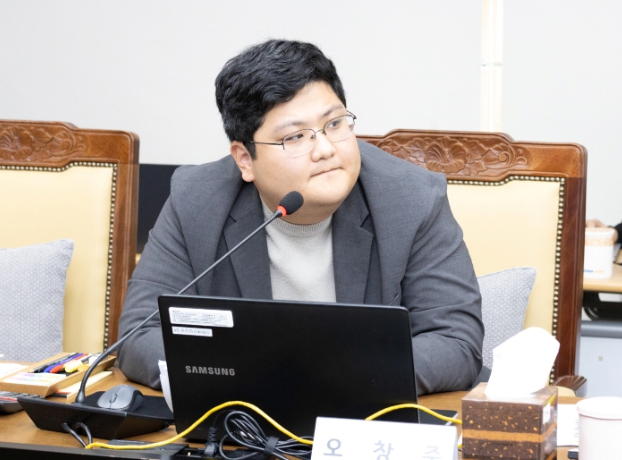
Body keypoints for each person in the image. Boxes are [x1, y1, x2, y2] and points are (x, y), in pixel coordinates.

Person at [117, 39, 484, 396]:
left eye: (335, 124)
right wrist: (251, 378)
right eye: (295, 137)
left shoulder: (412, 199)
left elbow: (454, 341)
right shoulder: (197, 201)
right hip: (245, 423)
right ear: (245, 159)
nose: (325, 149)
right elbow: (140, 333)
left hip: (365, 422)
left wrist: (316, 378)